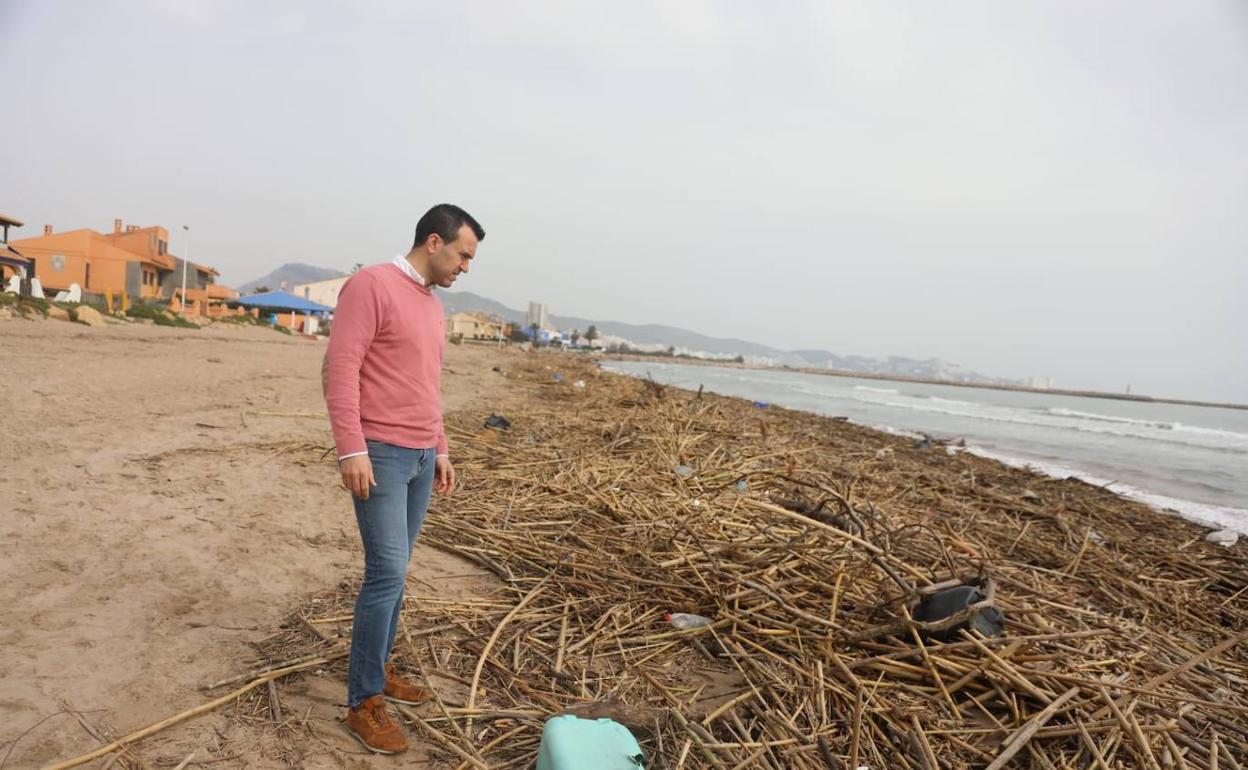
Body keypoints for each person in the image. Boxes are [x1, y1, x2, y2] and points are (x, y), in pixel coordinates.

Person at [323, 203, 483, 753]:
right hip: (381, 453)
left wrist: (440, 447)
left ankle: (379, 664)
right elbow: (340, 368)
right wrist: (351, 449)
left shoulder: (432, 306)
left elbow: (426, 384)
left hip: (419, 456)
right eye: (463, 254)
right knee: (386, 572)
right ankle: (362, 700)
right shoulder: (370, 285)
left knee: (400, 569)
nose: (466, 267)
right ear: (434, 242)